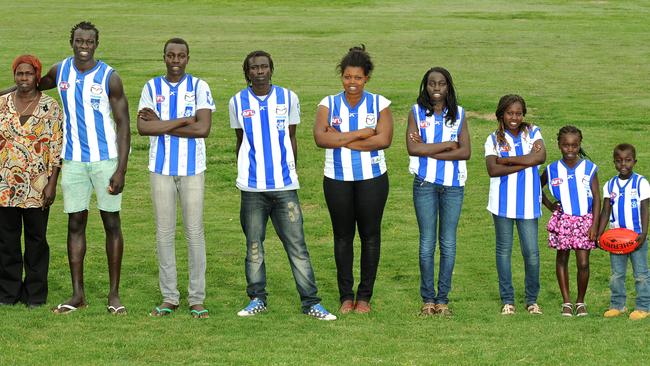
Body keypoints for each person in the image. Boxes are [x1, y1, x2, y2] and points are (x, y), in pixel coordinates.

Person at [18, 21, 130, 315]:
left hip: (105, 160)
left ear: (96, 44)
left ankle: (114, 295)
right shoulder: (60, 71)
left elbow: (123, 124)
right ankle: (77, 294)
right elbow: (27, 85)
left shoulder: (110, 77)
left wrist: (121, 170)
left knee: (111, 223)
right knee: (75, 223)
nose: (84, 47)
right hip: (73, 161)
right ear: (72, 42)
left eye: (89, 42)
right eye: (79, 41)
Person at [230, 50, 336, 320]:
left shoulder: (288, 98)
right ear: (247, 72)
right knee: (254, 246)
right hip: (252, 189)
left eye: (264, 67)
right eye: (254, 68)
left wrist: (291, 172)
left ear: (271, 69)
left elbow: (291, 137)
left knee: (297, 246)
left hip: (284, 186)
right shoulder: (237, 101)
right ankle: (257, 298)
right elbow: (240, 141)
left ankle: (311, 302)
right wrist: (245, 172)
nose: (260, 72)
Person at [137, 38, 214, 319]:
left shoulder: (199, 86)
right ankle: (169, 297)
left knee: (194, 233)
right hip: (160, 169)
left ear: (188, 58)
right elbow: (144, 128)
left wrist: (163, 123)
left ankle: (196, 298)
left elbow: (203, 128)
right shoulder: (151, 87)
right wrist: (183, 120)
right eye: (171, 55)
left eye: (181, 55)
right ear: (164, 57)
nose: (176, 60)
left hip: (192, 168)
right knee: (164, 233)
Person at [313, 45, 393, 314]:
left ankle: (365, 297)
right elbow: (321, 138)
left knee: (370, 237)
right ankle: (346, 296)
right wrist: (360, 134)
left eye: (358, 78)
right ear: (341, 76)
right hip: (337, 178)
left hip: (372, 178)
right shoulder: (328, 103)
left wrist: (341, 138)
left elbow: (384, 140)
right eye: (347, 77)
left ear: (366, 78)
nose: (352, 83)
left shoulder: (380, 103)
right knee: (343, 237)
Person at [406, 67, 470, 316]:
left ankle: (443, 299)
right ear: (425, 86)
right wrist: (446, 145)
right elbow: (412, 149)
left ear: (448, 87)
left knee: (448, 243)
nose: (436, 88)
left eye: (441, 84)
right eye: (431, 83)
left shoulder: (460, 114)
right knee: (426, 243)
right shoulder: (416, 112)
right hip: (425, 183)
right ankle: (427, 299)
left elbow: (465, 152)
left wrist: (427, 148)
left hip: (453, 185)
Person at [0, 55, 63, 308]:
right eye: (19, 74)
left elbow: (57, 150)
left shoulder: (50, 107)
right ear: (14, 76)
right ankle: (7, 292)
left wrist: (52, 183)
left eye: (28, 74)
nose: (24, 79)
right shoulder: (2, 104)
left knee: (37, 241)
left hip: (38, 186)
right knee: (7, 242)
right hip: (5, 185)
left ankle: (35, 295)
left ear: (37, 76)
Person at [485, 94, 545, 315]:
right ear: (501, 114)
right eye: (510, 113)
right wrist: (525, 160)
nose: (514, 117)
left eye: (519, 113)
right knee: (504, 251)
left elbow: (540, 158)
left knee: (531, 253)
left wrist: (508, 160)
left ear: (523, 115)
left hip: (528, 203)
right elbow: (493, 170)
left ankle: (532, 300)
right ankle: (507, 300)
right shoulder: (492, 139)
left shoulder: (533, 132)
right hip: (502, 204)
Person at [540, 126, 600, 317]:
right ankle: (566, 302)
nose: (570, 149)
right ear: (559, 145)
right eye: (566, 145)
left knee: (583, 262)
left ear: (579, 145)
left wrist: (595, 225)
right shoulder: (552, 169)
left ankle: (580, 301)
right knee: (562, 258)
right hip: (563, 220)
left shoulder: (589, 168)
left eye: (574, 145)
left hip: (585, 221)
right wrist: (550, 205)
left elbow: (598, 198)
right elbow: (535, 187)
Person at [598, 143, 650, 320]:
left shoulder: (641, 183)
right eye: (619, 161)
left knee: (641, 274)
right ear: (614, 162)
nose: (623, 164)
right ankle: (617, 305)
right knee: (616, 275)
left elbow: (645, 208)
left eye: (628, 160)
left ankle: (643, 307)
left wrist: (643, 233)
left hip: (636, 238)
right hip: (615, 238)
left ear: (634, 161)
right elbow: (605, 211)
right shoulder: (609, 185)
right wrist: (599, 233)